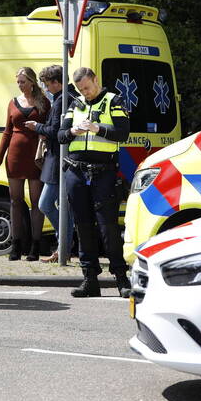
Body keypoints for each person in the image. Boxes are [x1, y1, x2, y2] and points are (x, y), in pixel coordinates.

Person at [57, 67, 132, 298]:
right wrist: (72, 131)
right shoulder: (75, 104)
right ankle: (90, 279)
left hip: (104, 173)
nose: (85, 93)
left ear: (96, 81)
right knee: (83, 225)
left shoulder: (113, 101)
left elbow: (123, 132)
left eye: (87, 87)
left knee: (108, 226)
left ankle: (121, 279)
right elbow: (60, 136)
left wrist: (96, 128)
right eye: (81, 89)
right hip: (77, 173)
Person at [0, 67, 50, 261]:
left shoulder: (44, 102)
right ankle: (15, 245)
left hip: (35, 157)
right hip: (15, 156)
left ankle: (35, 245)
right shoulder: (12, 103)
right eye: (18, 82)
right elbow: (7, 132)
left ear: (32, 82)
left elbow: (50, 128)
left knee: (36, 202)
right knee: (15, 201)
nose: (20, 85)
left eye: (23, 81)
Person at [25, 65, 75, 263]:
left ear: (55, 82)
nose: (45, 89)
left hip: (58, 159)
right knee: (60, 206)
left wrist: (36, 126)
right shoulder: (66, 96)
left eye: (47, 85)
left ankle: (64, 245)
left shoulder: (63, 99)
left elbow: (55, 130)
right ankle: (63, 247)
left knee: (46, 204)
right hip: (58, 158)